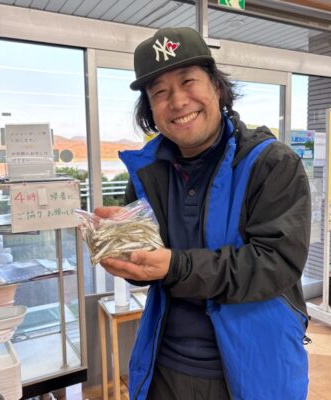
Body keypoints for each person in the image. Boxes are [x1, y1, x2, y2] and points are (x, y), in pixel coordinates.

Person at [95, 27, 311, 400]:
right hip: (163, 367)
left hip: (255, 368)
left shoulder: (271, 163)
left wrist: (175, 266)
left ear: (216, 86)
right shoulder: (148, 171)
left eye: (188, 81)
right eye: (160, 92)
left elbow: (275, 263)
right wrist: (124, 253)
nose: (178, 101)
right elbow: (149, 269)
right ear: (150, 110)